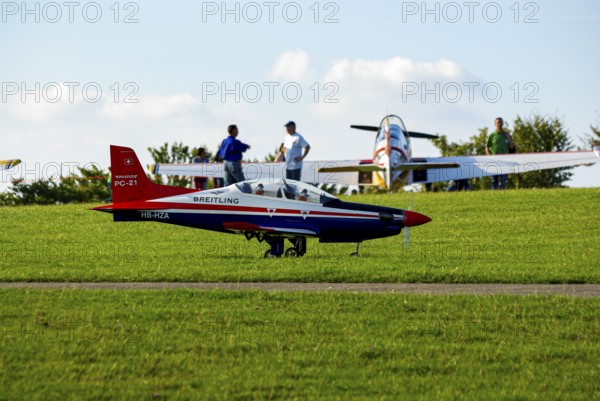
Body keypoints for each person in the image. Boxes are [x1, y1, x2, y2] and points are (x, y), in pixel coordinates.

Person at [485, 117, 515, 190]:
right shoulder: (492, 135)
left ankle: (503, 193)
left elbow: (511, 147)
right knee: (494, 179)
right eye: (498, 122)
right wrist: (489, 156)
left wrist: (508, 137)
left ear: (503, 123)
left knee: (504, 179)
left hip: (505, 160)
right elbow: (487, 147)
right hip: (494, 160)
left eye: (501, 122)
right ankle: (494, 194)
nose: (499, 124)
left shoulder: (506, 134)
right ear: (495, 124)